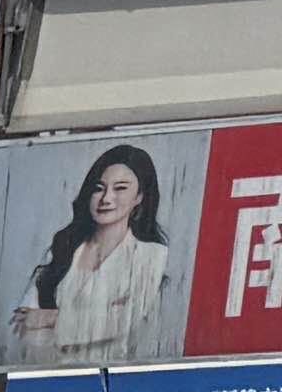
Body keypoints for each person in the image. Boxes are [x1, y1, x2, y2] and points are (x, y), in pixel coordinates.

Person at [12, 143, 172, 369]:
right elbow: (23, 330)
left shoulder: (152, 256)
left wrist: (50, 318)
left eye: (120, 188)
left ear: (139, 196)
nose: (106, 198)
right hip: (50, 376)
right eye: (99, 188)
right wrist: (94, 319)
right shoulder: (62, 248)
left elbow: (123, 323)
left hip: (119, 377)